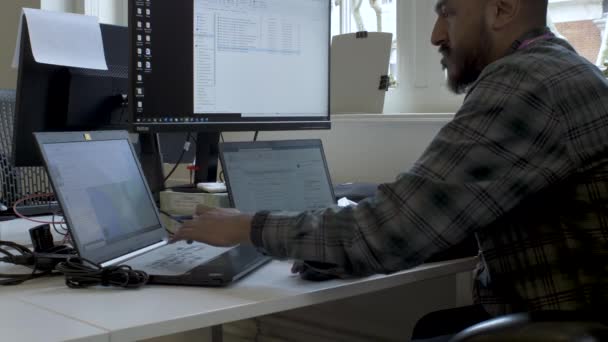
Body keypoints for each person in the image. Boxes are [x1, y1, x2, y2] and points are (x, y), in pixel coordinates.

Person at [173, 0, 608, 339]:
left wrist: (246, 228)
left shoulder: (524, 83)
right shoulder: (559, 68)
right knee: (430, 327)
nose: (437, 34)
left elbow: (385, 232)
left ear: (503, 8)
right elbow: (436, 218)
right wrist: (342, 245)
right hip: (567, 315)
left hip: (564, 321)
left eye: (449, 13)